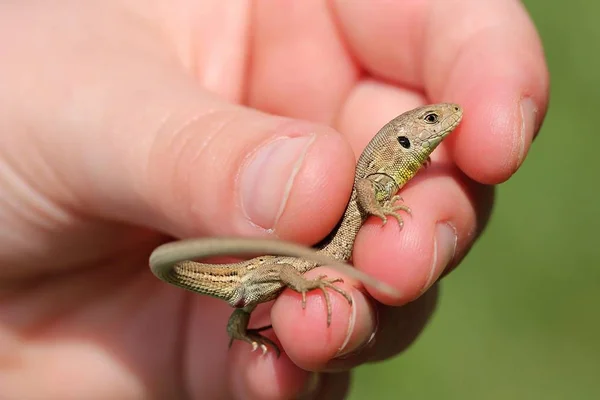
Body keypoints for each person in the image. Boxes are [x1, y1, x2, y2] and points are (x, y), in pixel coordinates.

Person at [0, 1, 548, 399]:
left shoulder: (395, 158)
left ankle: (242, 326)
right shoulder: (374, 173)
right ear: (406, 137)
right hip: (271, 269)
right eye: (431, 120)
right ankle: (258, 314)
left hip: (253, 278)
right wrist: (367, 221)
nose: (444, 121)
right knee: (298, 284)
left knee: (298, 313)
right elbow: (364, 191)